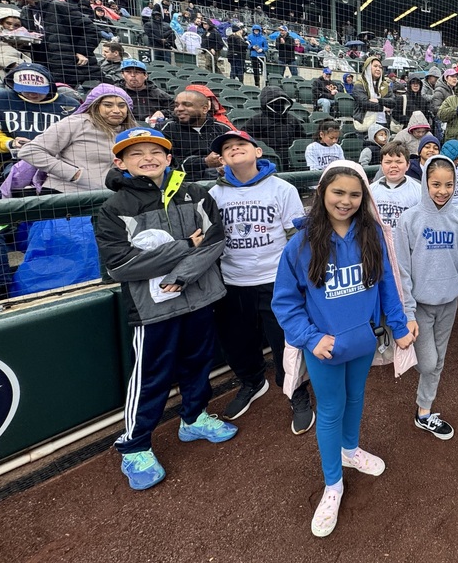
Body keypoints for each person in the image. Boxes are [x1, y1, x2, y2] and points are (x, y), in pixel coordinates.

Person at [271, 161, 416, 537]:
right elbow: (285, 303)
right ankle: (332, 483)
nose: (346, 200)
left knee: (356, 399)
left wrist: (398, 328)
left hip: (363, 342)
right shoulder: (300, 245)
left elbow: (387, 287)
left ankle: (350, 452)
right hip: (325, 349)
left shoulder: (372, 236)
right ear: (321, 193)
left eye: (355, 194)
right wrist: (311, 337)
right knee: (331, 409)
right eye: (338, 192)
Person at [95, 127, 236, 490]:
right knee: (150, 377)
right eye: (136, 153)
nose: (147, 158)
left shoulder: (196, 192)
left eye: (154, 151)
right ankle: (135, 445)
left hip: (199, 296)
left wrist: (184, 274)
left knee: (198, 363)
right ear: (121, 161)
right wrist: (181, 247)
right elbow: (119, 266)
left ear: (169, 158)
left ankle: (194, 418)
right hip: (152, 309)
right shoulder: (115, 208)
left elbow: (215, 241)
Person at [207, 130, 313, 432]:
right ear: (222, 158)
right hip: (232, 281)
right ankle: (252, 382)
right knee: (236, 343)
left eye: (240, 144)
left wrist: (300, 280)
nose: (234, 149)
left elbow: (296, 238)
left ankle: (297, 391)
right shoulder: (215, 194)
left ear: (257, 152)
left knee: (285, 345)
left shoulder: (281, 188)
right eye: (227, 147)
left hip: (274, 280)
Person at [396, 155, 458, 440]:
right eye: (436, 184)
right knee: (428, 362)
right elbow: (401, 269)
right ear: (425, 182)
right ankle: (421, 395)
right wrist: (408, 312)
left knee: (437, 362)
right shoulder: (409, 219)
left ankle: (423, 411)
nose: (442, 190)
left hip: (449, 302)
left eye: (449, 184)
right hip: (421, 305)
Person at [1, 0, 102, 85]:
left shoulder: (57, 6)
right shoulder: (25, 11)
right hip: (47, 72)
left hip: (76, 72)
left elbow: (92, 31)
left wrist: (81, 51)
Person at [0, 63, 80, 174]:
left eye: (38, 90)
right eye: (27, 90)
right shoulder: (0, 99)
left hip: (59, 160)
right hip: (14, 161)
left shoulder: (70, 104)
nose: (32, 94)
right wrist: (10, 143)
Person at [161, 89, 230, 181]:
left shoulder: (222, 129)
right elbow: (170, 167)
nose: (179, 109)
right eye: (176, 105)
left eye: (187, 105)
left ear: (204, 109)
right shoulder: (167, 129)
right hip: (183, 184)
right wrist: (204, 162)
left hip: (221, 182)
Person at [242, 86, 304, 162]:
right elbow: (246, 138)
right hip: (267, 158)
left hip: (291, 158)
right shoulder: (256, 120)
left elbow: (302, 138)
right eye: (275, 102)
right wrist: (270, 143)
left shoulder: (292, 119)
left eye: (281, 102)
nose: (278, 104)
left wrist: (290, 142)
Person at [369, 142, 421, 230]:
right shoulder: (371, 191)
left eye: (399, 162)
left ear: (407, 165)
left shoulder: (419, 191)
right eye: (388, 162)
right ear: (381, 165)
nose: (393, 166)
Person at [117, 59, 173, 125]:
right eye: (128, 72)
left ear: (145, 75)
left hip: (152, 128)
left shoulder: (157, 93)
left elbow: (175, 108)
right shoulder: (116, 92)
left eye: (137, 72)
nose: (133, 75)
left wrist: (163, 113)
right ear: (123, 75)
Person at [352, 56, 395, 133]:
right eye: (375, 66)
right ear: (368, 67)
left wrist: (378, 100)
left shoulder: (385, 85)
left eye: (380, 67)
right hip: (365, 124)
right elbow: (364, 103)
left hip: (384, 123)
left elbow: (393, 102)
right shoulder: (359, 84)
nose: (378, 69)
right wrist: (384, 108)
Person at [0, 6, 31, 84]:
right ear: (0, 21)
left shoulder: (22, 36)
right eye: (8, 23)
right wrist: (11, 63)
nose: (11, 27)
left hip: (20, 72)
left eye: (16, 25)